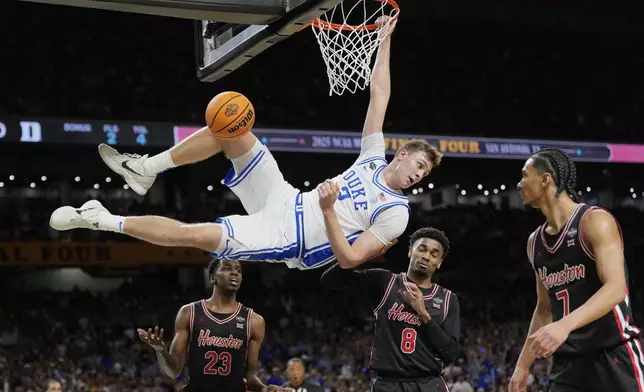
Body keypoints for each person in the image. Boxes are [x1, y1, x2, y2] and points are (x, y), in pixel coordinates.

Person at [48, 18, 442, 271]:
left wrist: (327, 211)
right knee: (233, 121)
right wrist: (384, 43)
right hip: (287, 198)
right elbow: (379, 96)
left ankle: (99, 218)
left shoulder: (397, 214)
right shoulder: (374, 158)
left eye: (424, 174)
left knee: (192, 235)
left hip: (290, 237)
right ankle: (144, 170)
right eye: (419, 166)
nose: (418, 176)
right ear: (402, 154)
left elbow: (351, 259)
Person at [510, 148, 644, 392]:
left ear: (545, 179)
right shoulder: (535, 243)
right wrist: (523, 364)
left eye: (524, 175)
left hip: (612, 354)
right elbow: (544, 309)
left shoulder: (594, 221)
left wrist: (564, 325)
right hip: (568, 363)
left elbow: (615, 289)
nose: (519, 184)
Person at [320, 227, 461, 392]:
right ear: (410, 252)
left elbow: (450, 354)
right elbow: (330, 280)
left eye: (434, 254)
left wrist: (424, 315)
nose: (426, 256)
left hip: (429, 383)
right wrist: (364, 254)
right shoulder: (385, 282)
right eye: (422, 249)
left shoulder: (447, 299)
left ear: (439, 263)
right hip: (388, 384)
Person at [137, 258, 287, 392]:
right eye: (227, 268)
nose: (234, 273)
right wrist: (161, 351)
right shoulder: (189, 312)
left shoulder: (254, 321)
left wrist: (265, 389)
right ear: (213, 278)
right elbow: (174, 371)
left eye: (238, 270)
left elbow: (250, 376)